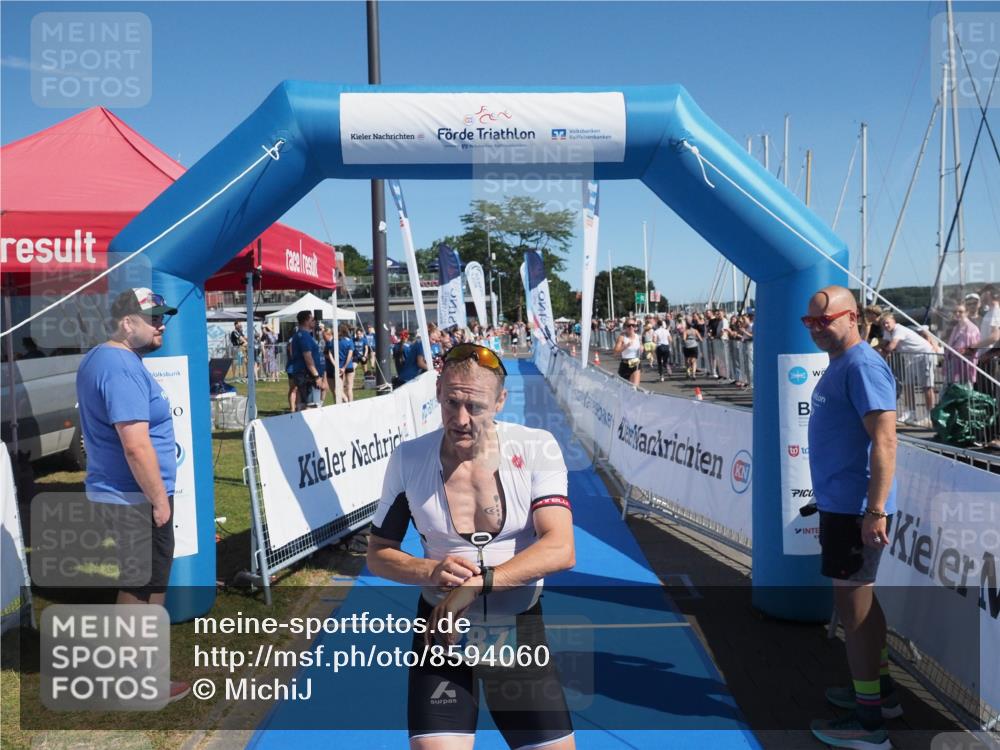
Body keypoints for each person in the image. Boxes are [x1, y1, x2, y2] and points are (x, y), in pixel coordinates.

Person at [367, 343, 576, 750]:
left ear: (500, 401)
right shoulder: (409, 459)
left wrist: (478, 584)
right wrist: (428, 570)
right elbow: (378, 553)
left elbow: (561, 547)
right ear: (439, 395)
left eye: (475, 407)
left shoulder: (536, 448)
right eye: (451, 403)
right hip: (440, 632)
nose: (460, 419)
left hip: (516, 627)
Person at [75, 287, 189, 703]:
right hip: (133, 496)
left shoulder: (109, 360)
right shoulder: (119, 364)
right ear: (127, 323)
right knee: (141, 587)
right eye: (154, 317)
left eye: (165, 316)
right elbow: (135, 444)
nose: (162, 324)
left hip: (126, 493)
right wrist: (159, 499)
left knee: (144, 582)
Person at [803, 286, 898, 750]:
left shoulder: (861, 365)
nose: (818, 329)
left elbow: (885, 440)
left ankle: (869, 723)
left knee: (853, 611)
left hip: (855, 510)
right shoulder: (843, 364)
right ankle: (878, 692)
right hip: (843, 506)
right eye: (811, 323)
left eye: (825, 320)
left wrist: (874, 510)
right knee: (862, 603)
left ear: (853, 317)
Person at [879, 313, 936, 422]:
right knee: (908, 385)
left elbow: (891, 346)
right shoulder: (887, 331)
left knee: (927, 386)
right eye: (883, 323)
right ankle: (911, 413)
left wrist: (880, 355)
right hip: (910, 358)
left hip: (924, 354)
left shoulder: (899, 330)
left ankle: (929, 415)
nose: (886, 325)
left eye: (887, 322)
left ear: (894, 322)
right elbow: (884, 344)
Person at [286, 310, 323, 411]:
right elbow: (308, 357)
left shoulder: (300, 335)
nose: (314, 321)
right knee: (310, 405)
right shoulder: (304, 337)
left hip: (303, 374)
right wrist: (316, 375)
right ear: (306, 321)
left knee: (303, 403)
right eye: (312, 319)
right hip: (307, 375)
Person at [612, 320, 643, 386]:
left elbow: (641, 346)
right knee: (624, 389)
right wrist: (625, 346)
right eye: (629, 325)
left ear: (635, 327)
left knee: (634, 388)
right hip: (625, 364)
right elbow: (615, 352)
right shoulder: (622, 337)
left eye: (633, 325)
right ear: (625, 327)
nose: (631, 327)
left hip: (635, 363)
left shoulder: (638, 337)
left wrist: (642, 348)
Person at [338, 324, 356, 402]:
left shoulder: (336, 341)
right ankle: (350, 404)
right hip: (348, 366)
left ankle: (344, 401)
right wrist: (345, 367)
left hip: (339, 366)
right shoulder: (350, 341)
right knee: (349, 388)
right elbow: (350, 355)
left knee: (340, 388)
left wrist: (342, 367)